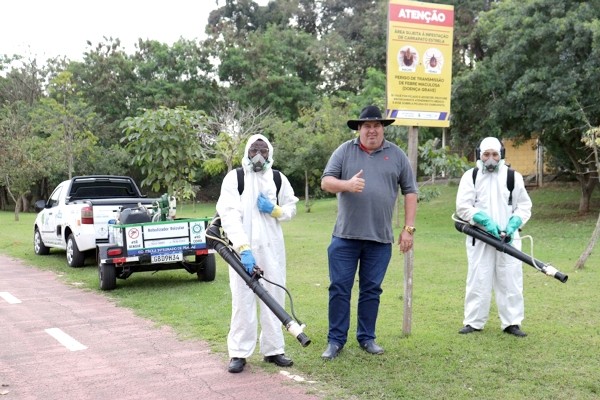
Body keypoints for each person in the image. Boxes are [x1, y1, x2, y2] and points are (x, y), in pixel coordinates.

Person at [320, 105, 418, 360]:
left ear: (382, 128)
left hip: (379, 239)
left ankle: (367, 338)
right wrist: (348, 185)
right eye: (367, 126)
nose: (372, 130)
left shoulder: (396, 155)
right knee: (339, 288)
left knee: (371, 289)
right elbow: (326, 181)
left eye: (376, 125)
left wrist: (408, 229)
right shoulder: (344, 151)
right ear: (360, 129)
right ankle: (335, 340)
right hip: (345, 237)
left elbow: (411, 191)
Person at [216, 134, 299, 373]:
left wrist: (275, 210)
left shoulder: (277, 178)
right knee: (243, 299)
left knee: (274, 296)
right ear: (247, 152)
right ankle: (239, 353)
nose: (259, 155)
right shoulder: (235, 178)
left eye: (263, 150)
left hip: (272, 249)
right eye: (254, 150)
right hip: (242, 251)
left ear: (270, 153)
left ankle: (274, 350)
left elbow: (291, 208)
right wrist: (243, 247)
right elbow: (228, 214)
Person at [455, 137, 532, 337]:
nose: (490, 159)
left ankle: (512, 322)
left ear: (502, 155)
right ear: (479, 154)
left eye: (494, 154)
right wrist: (484, 221)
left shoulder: (513, 177)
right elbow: (463, 206)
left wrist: (513, 224)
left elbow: (524, 206)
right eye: (486, 154)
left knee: (511, 279)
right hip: (480, 237)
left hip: (508, 238)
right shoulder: (470, 176)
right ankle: (473, 322)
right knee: (478, 277)